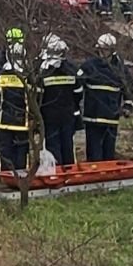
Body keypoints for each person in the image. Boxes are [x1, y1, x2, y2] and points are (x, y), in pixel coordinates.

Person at [79, 33, 131, 162]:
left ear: (112, 50)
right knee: (94, 154)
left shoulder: (120, 69)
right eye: (101, 50)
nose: (103, 53)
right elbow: (76, 86)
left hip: (111, 117)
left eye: (106, 50)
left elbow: (128, 90)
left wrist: (127, 106)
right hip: (92, 117)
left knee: (109, 153)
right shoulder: (88, 66)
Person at [39, 35, 81, 168]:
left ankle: (56, 171)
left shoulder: (43, 71)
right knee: (67, 143)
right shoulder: (72, 69)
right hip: (68, 113)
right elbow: (79, 92)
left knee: (53, 144)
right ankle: (69, 170)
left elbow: (38, 96)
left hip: (49, 115)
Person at [0, 42, 32, 172]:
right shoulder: (29, 77)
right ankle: (22, 174)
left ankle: (6, 174)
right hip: (23, 121)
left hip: (3, 120)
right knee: (22, 149)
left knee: (5, 149)